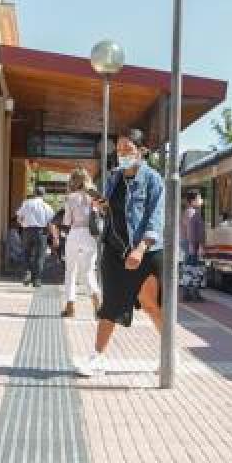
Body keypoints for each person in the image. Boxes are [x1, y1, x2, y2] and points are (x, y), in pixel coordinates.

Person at [76, 129, 165, 376]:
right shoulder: (113, 177)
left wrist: (141, 248)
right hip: (115, 250)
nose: (123, 153)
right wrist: (100, 206)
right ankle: (98, 357)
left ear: (141, 151)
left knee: (150, 304)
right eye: (119, 150)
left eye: (128, 149)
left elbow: (156, 218)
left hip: (146, 251)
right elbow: (111, 212)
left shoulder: (153, 179)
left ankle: (169, 354)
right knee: (110, 304)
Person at [59, 167, 103, 319]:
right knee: (89, 270)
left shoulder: (70, 198)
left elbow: (67, 221)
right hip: (90, 236)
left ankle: (70, 307)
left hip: (75, 234)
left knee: (70, 271)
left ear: (73, 181)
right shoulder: (94, 196)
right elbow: (101, 213)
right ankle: (97, 304)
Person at [15, 186, 54, 287]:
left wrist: (23, 225)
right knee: (39, 256)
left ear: (34, 193)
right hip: (41, 232)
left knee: (26, 254)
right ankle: (37, 280)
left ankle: (27, 274)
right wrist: (54, 236)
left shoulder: (26, 203)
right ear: (43, 194)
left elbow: (19, 218)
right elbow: (50, 223)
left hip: (27, 231)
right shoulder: (46, 206)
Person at [180, 189, 207, 302]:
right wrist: (197, 246)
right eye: (199, 198)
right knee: (193, 269)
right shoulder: (192, 212)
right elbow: (191, 231)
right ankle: (193, 294)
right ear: (193, 200)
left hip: (190, 244)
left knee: (189, 268)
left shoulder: (189, 212)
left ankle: (188, 293)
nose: (201, 200)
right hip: (192, 244)